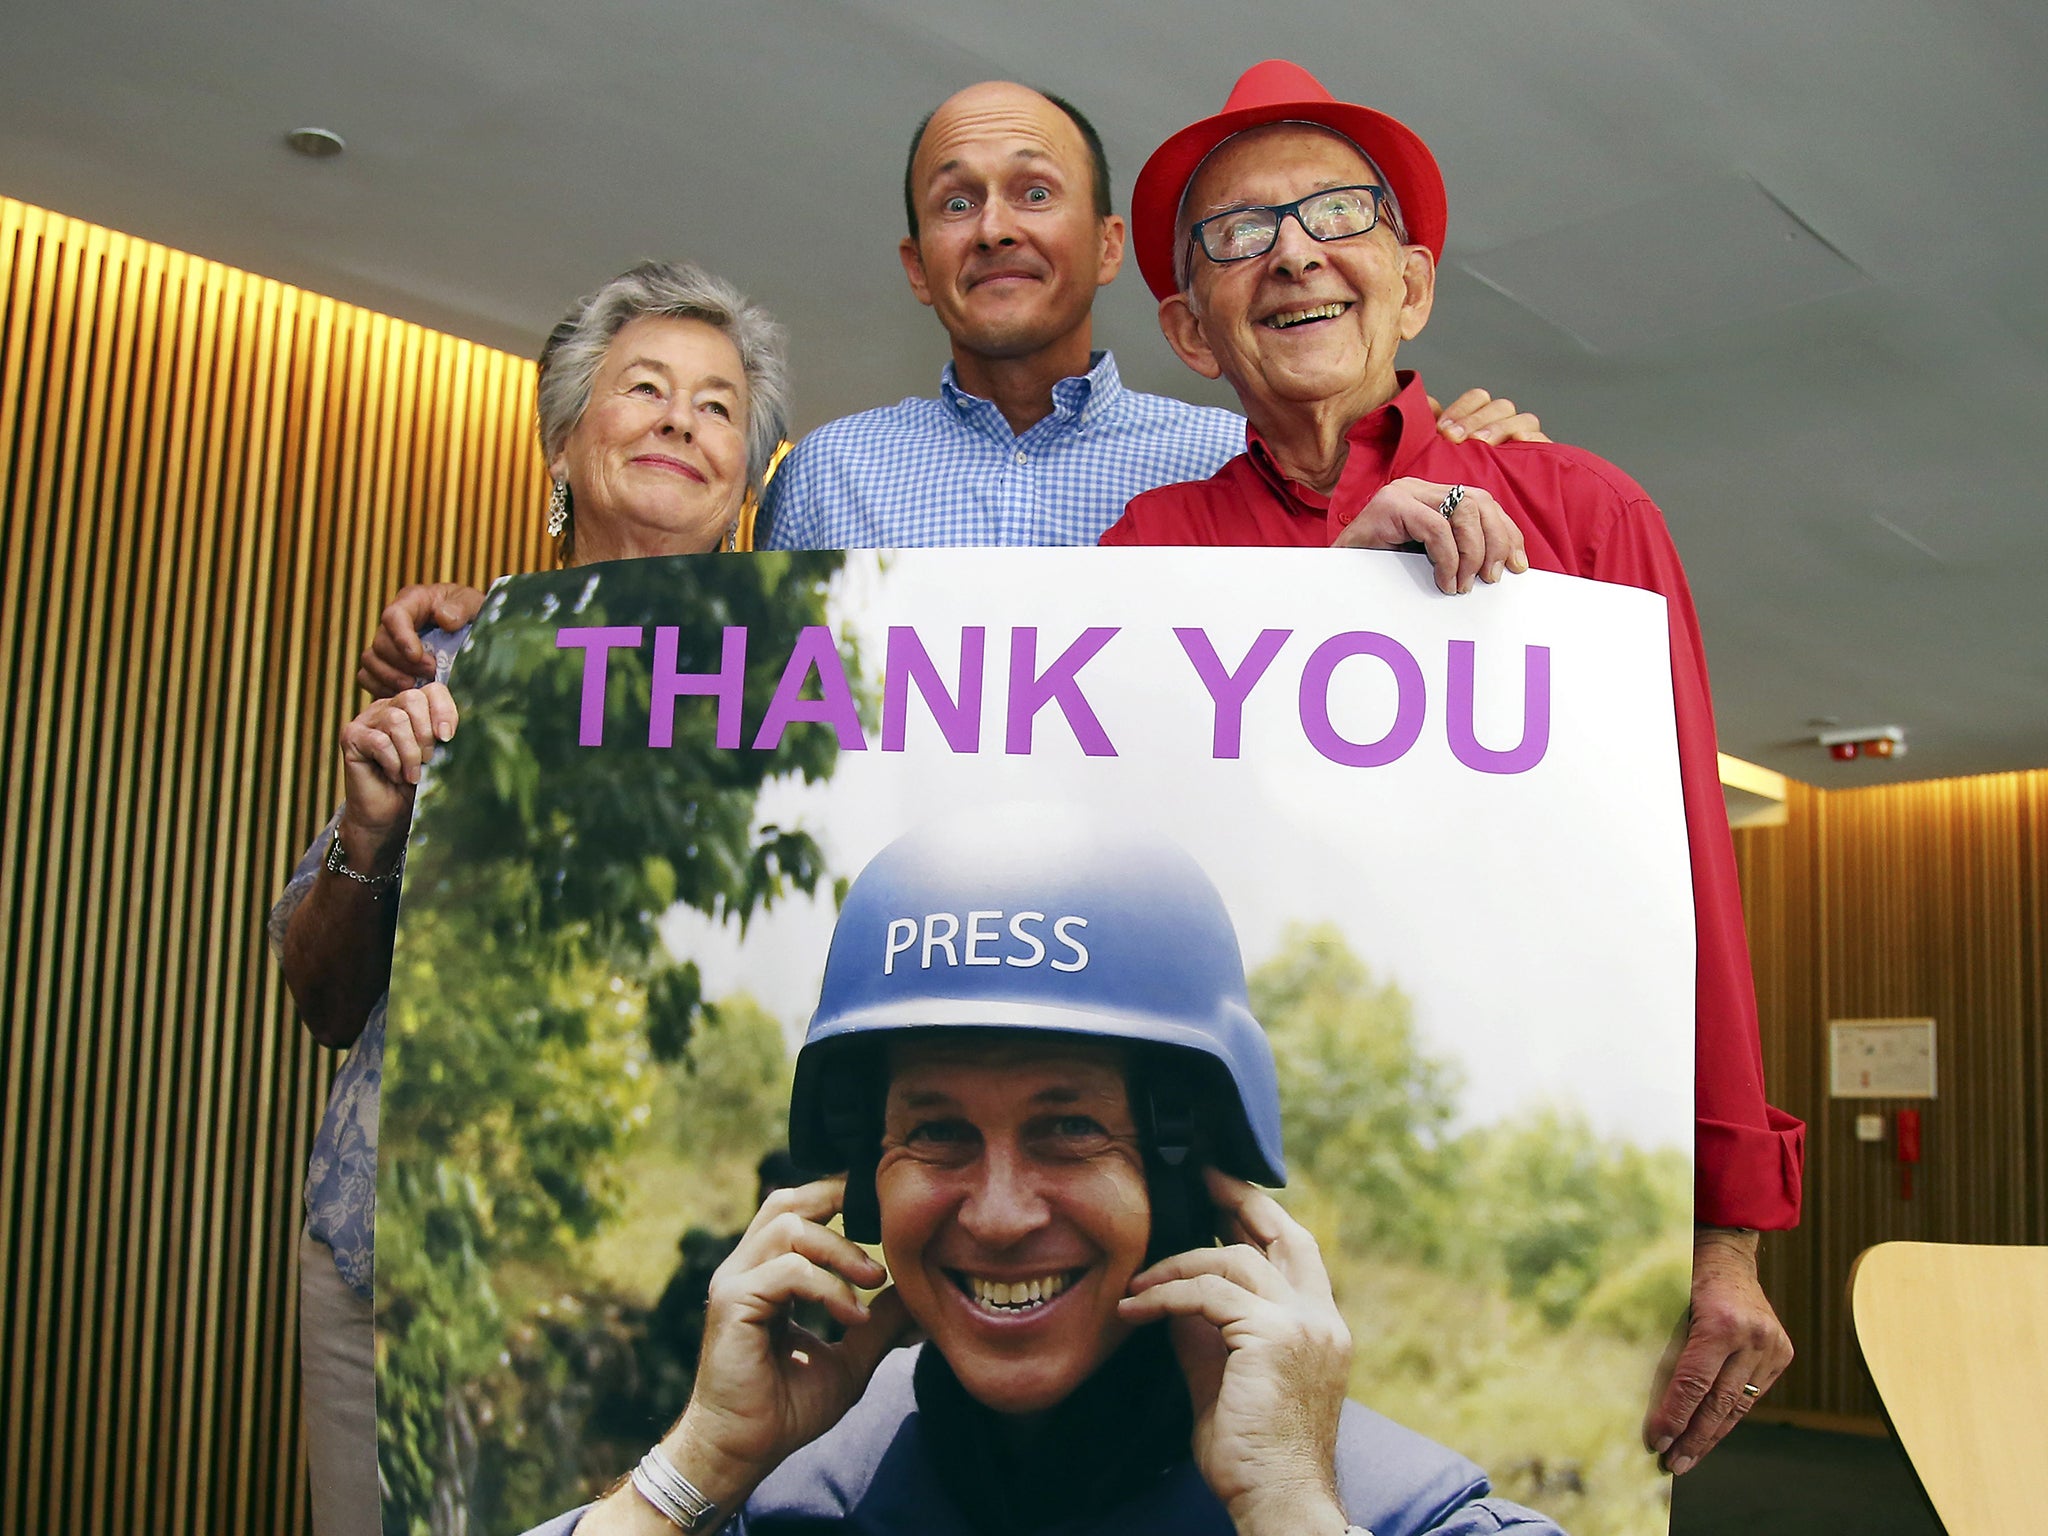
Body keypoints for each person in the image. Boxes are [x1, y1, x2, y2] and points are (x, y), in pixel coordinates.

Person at [1100, 59, 1806, 1472]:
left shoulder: (1586, 514)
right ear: (1189, 329)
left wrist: (1724, 1239)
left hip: (1526, 1202)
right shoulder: (1144, 556)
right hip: (1214, 1206)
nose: (1293, 251)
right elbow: (1128, 879)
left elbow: (1686, 888)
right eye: (1238, 233)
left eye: (1335, 215)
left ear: (1412, 288)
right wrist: (1320, 616)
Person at [519, 805, 1562, 1536]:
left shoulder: (1402, 1513)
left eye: (1067, 1129)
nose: (1001, 1212)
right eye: (936, 1134)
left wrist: (1287, 1508)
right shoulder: (784, 1501)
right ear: (862, 1180)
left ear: (1183, 1176)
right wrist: (693, 1469)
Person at [269, 258, 792, 1536]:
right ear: (563, 445)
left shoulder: (809, 690)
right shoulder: (455, 656)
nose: (681, 419)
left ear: (744, 482)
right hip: (399, 1271)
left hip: (683, 1297)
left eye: (719, 407)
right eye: (646, 389)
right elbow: (324, 999)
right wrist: (370, 833)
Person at [757, 80, 1540, 556]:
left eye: (1035, 193)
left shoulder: (1235, 456)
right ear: (915, 267)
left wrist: (1461, 458)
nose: (995, 228)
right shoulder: (826, 474)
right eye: (956, 203)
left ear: (1108, 247)